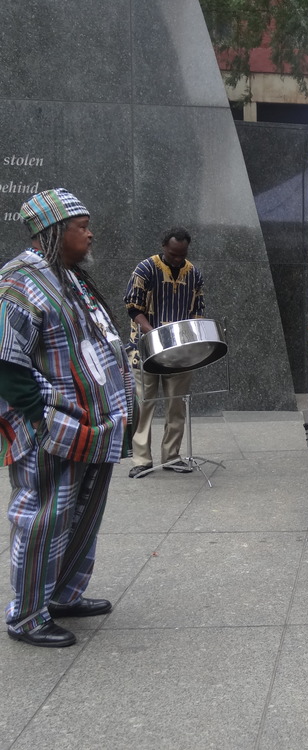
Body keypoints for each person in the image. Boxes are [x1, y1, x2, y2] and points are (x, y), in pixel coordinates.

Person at [0, 188, 134, 648]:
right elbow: (6, 361)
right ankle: (27, 616)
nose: (90, 234)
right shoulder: (18, 283)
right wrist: (40, 419)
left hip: (92, 428)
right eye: (82, 227)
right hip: (53, 428)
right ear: (53, 232)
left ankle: (61, 595)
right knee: (44, 519)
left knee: (82, 515)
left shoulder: (71, 277)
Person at [123, 228, 205, 478]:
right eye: (173, 254)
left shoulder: (194, 274)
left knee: (176, 406)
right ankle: (141, 460)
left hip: (180, 352)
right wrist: (155, 334)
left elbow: (197, 311)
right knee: (143, 405)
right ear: (163, 247)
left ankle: (171, 456)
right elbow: (133, 308)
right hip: (145, 349)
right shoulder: (145, 269)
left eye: (182, 254)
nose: (178, 259)